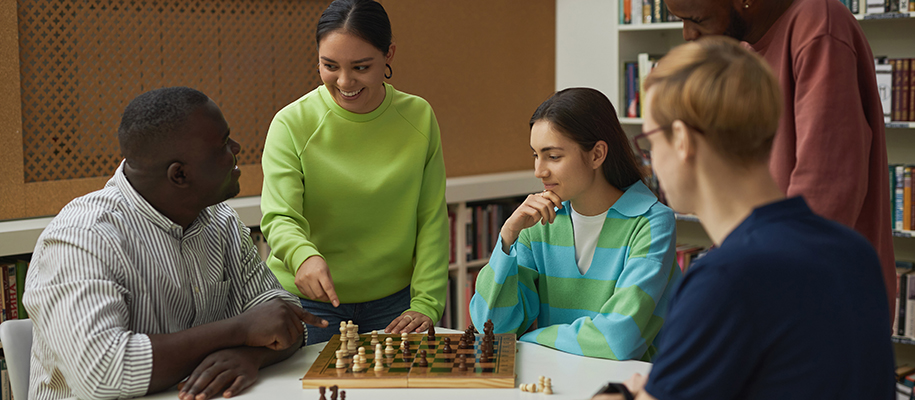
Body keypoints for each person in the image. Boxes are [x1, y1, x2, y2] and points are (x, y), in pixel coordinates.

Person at [592, 37, 893, 400]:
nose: (651, 161)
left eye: (651, 143)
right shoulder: (854, 251)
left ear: (683, 140)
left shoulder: (724, 280)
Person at [23, 87, 328, 400]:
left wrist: (249, 357)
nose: (237, 148)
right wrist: (240, 330)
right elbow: (101, 373)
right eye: (223, 144)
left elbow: (285, 317)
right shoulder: (81, 238)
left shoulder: (220, 219)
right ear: (179, 175)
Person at [664, 0, 896, 325]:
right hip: (775, 286)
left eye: (696, 18)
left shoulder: (819, 24)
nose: (688, 34)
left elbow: (825, 196)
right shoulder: (742, 51)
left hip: (818, 298)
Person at [260, 0, 449, 344]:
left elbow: (431, 218)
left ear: (389, 54)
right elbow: (279, 216)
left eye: (361, 67)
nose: (345, 81)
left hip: (395, 306)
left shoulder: (419, 117)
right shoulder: (291, 123)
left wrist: (426, 303)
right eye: (329, 65)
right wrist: (302, 257)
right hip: (309, 303)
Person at [469, 88, 681, 361]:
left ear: (596, 155)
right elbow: (492, 329)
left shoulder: (652, 223)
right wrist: (508, 237)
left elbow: (618, 340)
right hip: (557, 381)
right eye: (535, 155)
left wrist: (530, 338)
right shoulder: (537, 223)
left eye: (553, 156)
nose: (539, 171)